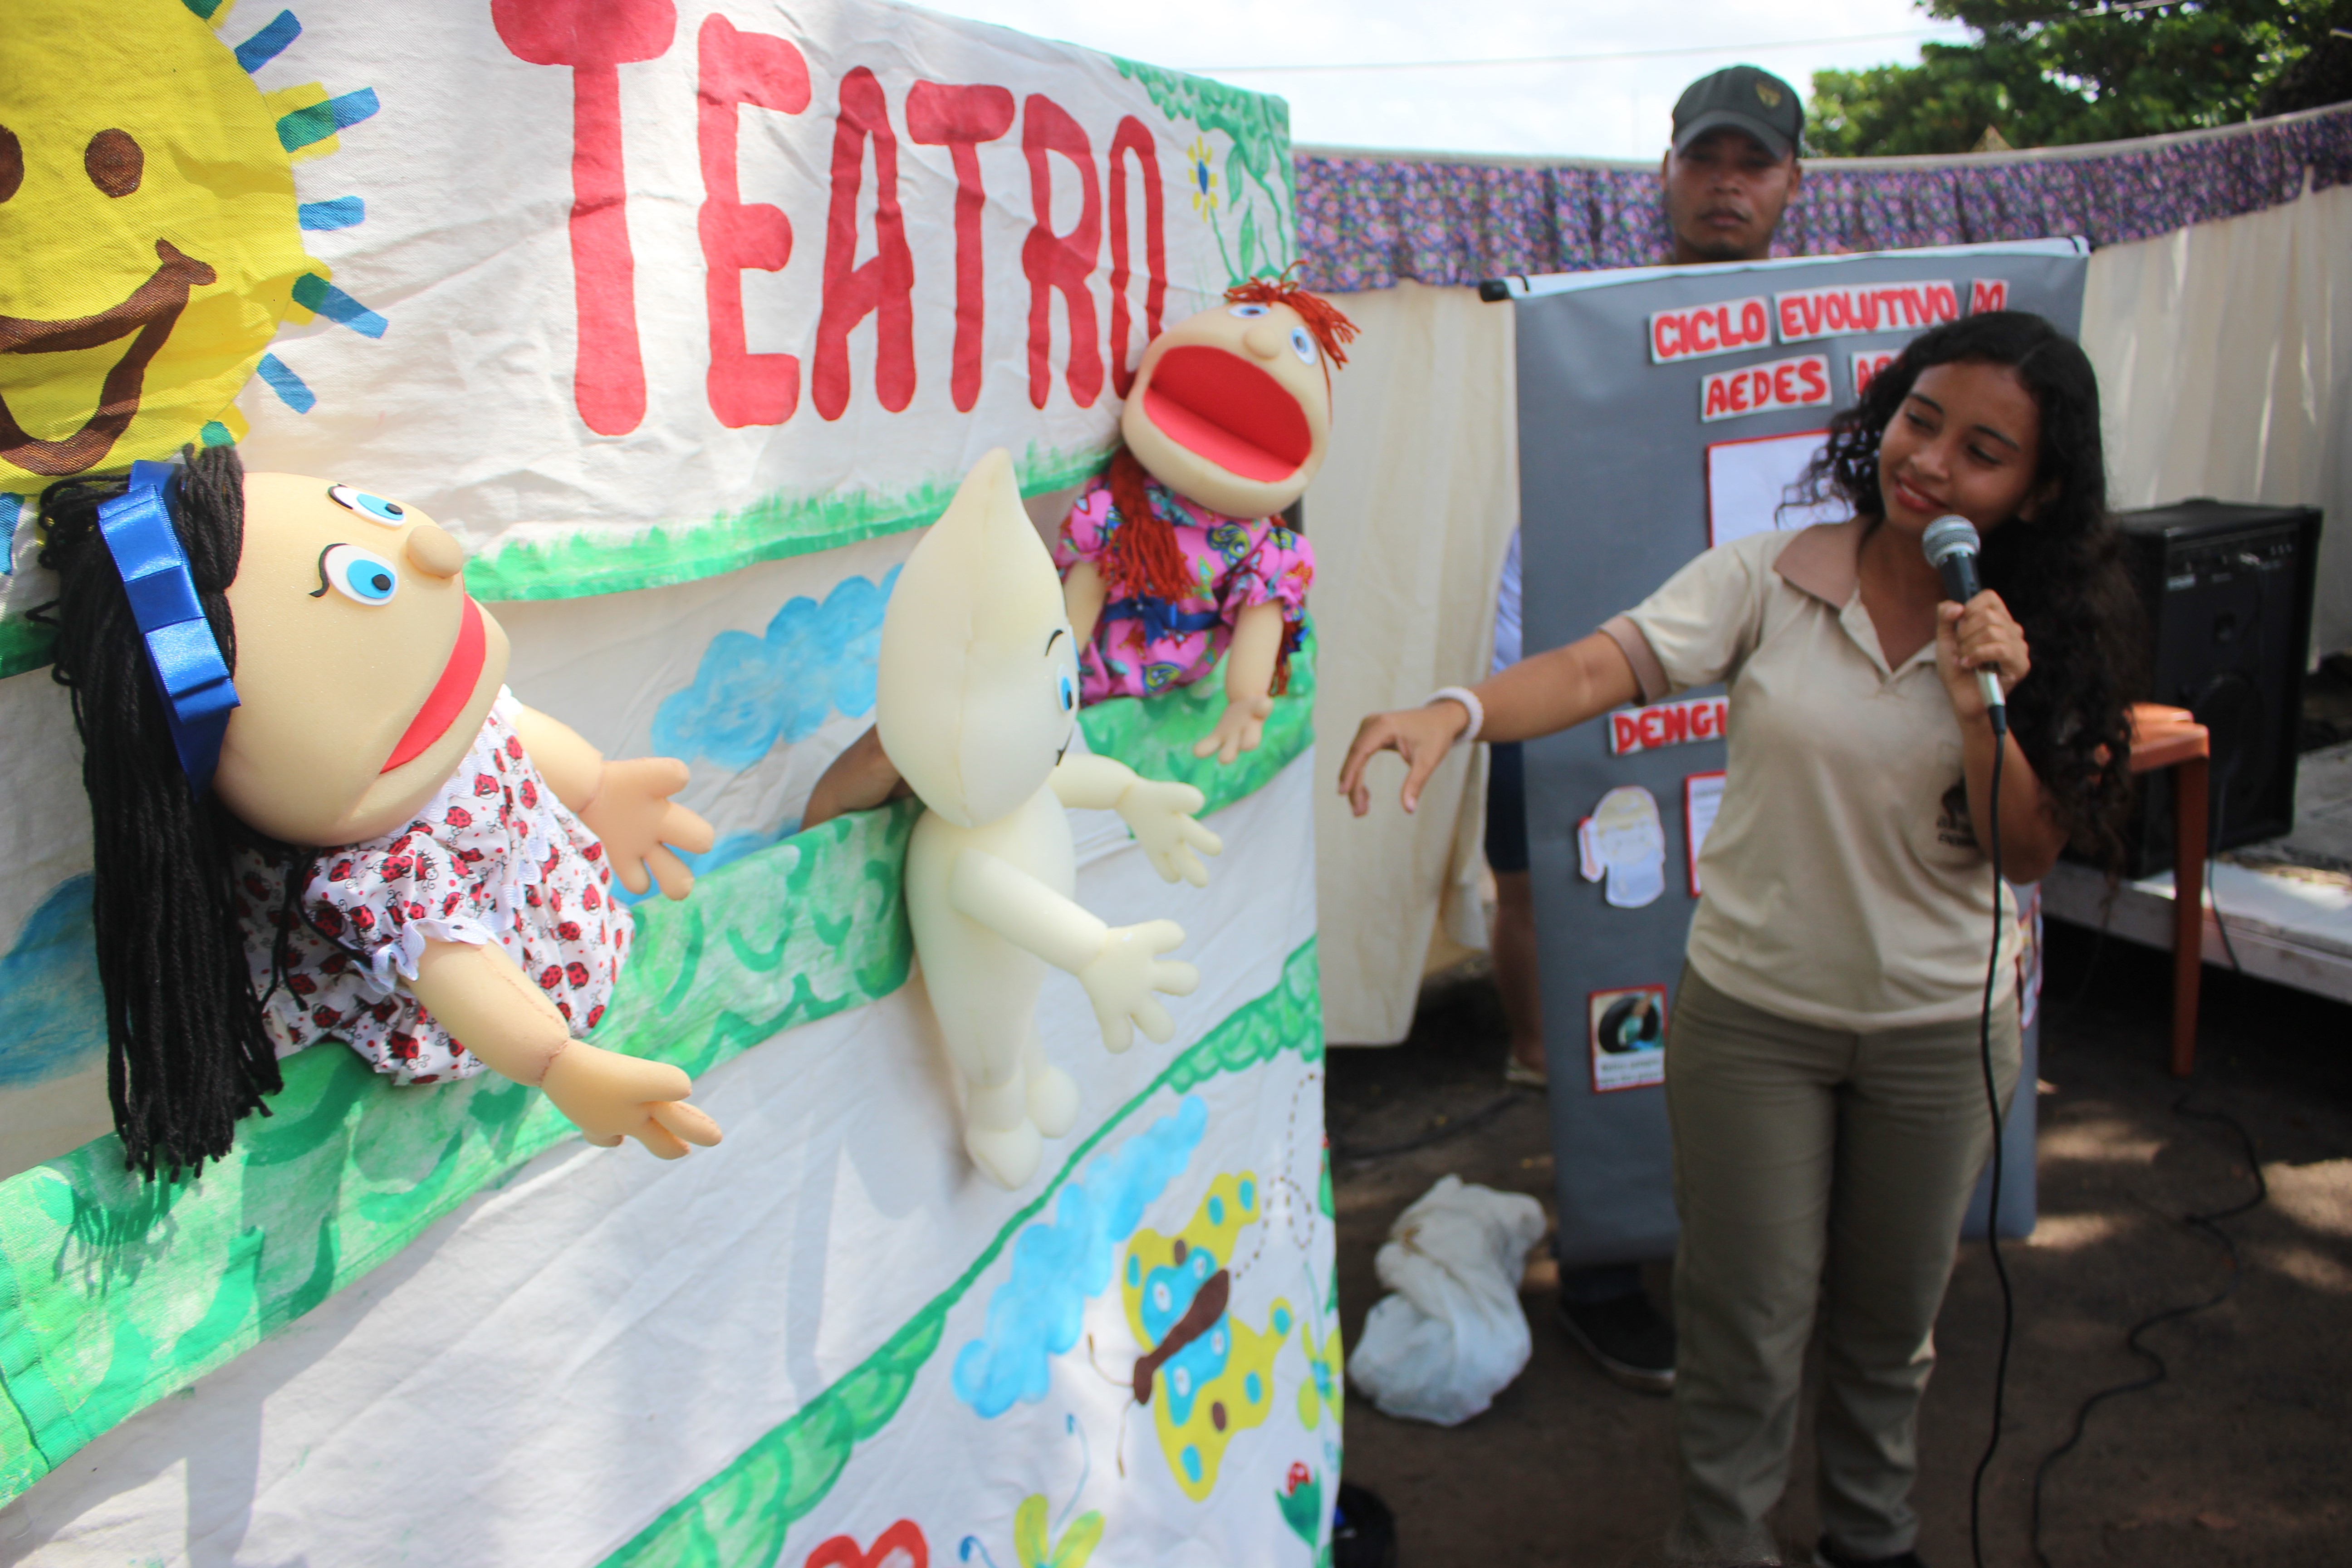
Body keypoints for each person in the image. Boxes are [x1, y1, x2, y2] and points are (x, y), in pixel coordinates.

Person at [1339, 312, 2141, 1567]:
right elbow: (1604, 668)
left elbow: (2028, 852)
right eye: (1920, 420)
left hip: (1939, 1037)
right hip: (1755, 1024)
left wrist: (1981, 698)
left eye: (1982, 451)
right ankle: (1721, 1546)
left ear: (2036, 492)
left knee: (1890, 1329)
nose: (1930, 461)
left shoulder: (2030, 643)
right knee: (1746, 1324)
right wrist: (1457, 709)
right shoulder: (1772, 575)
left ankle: (1871, 1538)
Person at [1485, 61, 1808, 1396]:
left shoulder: (1832, 337)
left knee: (1742, 965)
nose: (1727, 186)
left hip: (1752, 701)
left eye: (1755, 164)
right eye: (1707, 161)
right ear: (1666, 174)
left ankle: (1761, 1242)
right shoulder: (1592, 323)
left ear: (1792, 185)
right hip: (1577, 669)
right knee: (1577, 934)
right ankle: (1604, 1243)